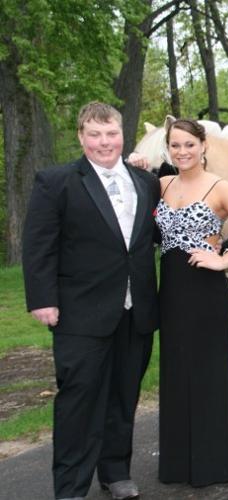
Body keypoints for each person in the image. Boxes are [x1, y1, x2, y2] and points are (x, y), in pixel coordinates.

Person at [22, 102, 160, 500]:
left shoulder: (145, 181)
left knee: (123, 396)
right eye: (95, 134)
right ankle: (70, 487)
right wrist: (42, 299)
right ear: (81, 137)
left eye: (111, 133)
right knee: (78, 402)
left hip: (136, 312)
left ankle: (116, 472)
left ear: (123, 134)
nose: (104, 142)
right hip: (80, 313)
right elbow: (38, 246)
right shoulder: (56, 181)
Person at [155, 118, 228, 487]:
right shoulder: (161, 184)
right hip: (171, 290)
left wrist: (223, 260)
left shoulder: (220, 188)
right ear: (168, 149)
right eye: (175, 145)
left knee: (208, 375)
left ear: (204, 146)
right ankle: (178, 465)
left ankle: (213, 464)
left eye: (189, 144)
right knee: (175, 374)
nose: (182, 151)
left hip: (205, 290)